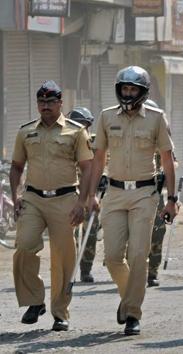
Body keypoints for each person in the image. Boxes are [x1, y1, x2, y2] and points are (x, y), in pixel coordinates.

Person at [87, 66, 178, 336]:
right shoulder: (105, 117)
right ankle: (128, 297)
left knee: (139, 254)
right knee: (113, 257)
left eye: (133, 89)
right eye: (125, 88)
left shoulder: (156, 118)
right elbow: (98, 159)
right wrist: (91, 193)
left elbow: (167, 161)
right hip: (113, 193)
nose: (128, 93)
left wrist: (172, 199)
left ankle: (132, 314)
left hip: (144, 193)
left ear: (142, 91)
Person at [11, 81, 93, 331]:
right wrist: (16, 196)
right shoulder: (26, 132)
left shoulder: (76, 131)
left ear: (60, 103)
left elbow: (87, 168)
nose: (45, 106)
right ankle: (34, 301)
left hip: (66, 198)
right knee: (24, 246)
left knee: (64, 257)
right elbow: (16, 167)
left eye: (50, 102)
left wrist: (82, 202)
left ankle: (60, 312)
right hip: (33, 198)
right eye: (41, 102)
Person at [68, 107, 101, 283]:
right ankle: (68, 269)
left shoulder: (96, 143)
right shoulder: (64, 141)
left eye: (84, 125)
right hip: (69, 194)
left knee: (91, 232)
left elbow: (105, 163)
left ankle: (85, 270)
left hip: (89, 195)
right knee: (68, 234)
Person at [143, 98, 171, 287]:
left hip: (155, 193)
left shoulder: (162, 137)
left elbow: (171, 162)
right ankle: (134, 271)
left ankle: (152, 272)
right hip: (133, 192)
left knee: (158, 232)